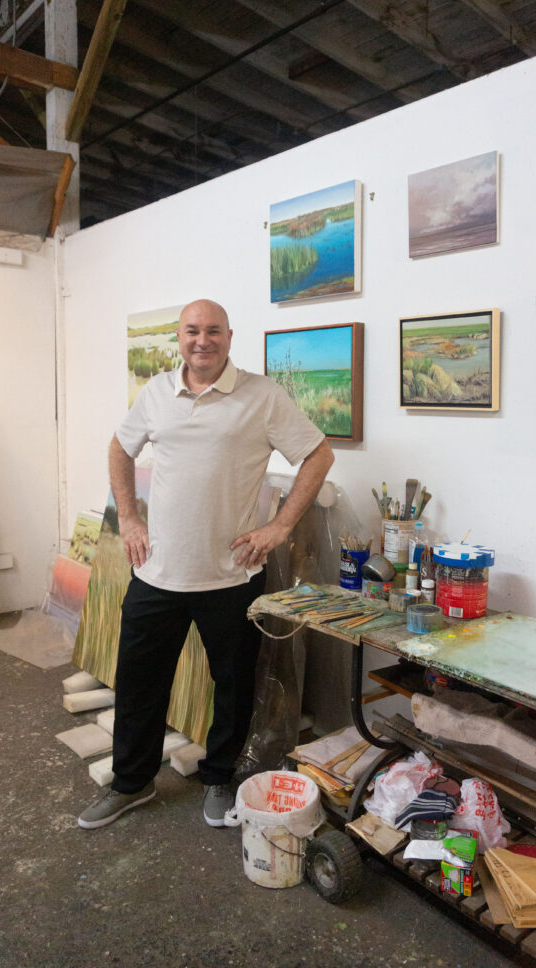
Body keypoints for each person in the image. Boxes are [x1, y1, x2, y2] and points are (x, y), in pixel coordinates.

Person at [78, 299, 333, 830]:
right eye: (192, 331)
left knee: (233, 688)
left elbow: (318, 455)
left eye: (213, 330)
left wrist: (279, 527)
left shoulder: (262, 396)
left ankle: (220, 778)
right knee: (139, 684)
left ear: (229, 337)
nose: (202, 340)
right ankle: (132, 783)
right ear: (179, 338)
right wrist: (130, 517)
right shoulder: (156, 393)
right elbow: (120, 448)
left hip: (231, 575)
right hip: (157, 573)